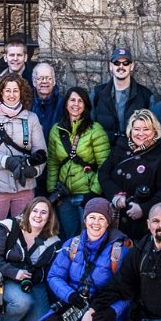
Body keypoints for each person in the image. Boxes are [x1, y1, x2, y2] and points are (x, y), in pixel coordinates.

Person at [37, 198, 131, 321]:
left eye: (102, 218)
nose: (96, 223)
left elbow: (127, 289)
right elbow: (54, 276)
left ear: (108, 222)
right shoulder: (72, 244)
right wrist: (70, 295)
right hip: (74, 301)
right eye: (92, 217)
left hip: (101, 305)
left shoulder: (119, 250)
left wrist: (113, 311)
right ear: (85, 219)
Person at [0, 73, 47, 248]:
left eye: (16, 90)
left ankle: (21, 272)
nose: (12, 94)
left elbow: (41, 152)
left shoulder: (31, 118)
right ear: (0, 92)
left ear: (22, 93)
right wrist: (7, 162)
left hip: (25, 187)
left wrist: (33, 170)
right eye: (7, 90)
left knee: (25, 236)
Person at [0, 197, 62, 321]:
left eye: (43, 212)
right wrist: (14, 272)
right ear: (28, 212)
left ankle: (23, 315)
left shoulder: (53, 241)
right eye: (35, 211)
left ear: (49, 217)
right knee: (22, 302)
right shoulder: (9, 227)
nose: (38, 216)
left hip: (33, 283)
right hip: (7, 276)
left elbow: (49, 273)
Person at [98, 109, 161, 240]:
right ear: (130, 130)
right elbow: (103, 174)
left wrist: (144, 209)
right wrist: (116, 195)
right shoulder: (120, 147)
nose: (141, 134)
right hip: (115, 222)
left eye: (146, 129)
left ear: (155, 131)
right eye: (136, 129)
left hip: (142, 229)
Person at [46, 87, 111, 240]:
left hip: (86, 194)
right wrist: (52, 189)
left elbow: (105, 164)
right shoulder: (56, 130)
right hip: (64, 195)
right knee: (69, 237)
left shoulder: (95, 130)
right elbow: (53, 162)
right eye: (72, 100)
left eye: (80, 100)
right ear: (66, 103)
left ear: (86, 105)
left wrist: (94, 192)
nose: (76, 104)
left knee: (88, 237)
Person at [91, 47, 155, 146]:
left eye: (126, 63)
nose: (121, 66)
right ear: (111, 66)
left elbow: (152, 131)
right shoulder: (97, 93)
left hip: (133, 153)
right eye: (117, 63)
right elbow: (89, 127)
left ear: (132, 66)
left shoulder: (145, 95)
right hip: (104, 152)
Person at [30, 62, 65, 142]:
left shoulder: (63, 104)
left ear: (54, 81)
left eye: (49, 78)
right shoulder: (26, 103)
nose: (44, 81)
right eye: (40, 78)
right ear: (34, 81)